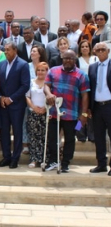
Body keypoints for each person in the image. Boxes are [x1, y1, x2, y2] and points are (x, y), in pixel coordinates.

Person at [44, 50, 90, 172]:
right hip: (54, 112)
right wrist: (48, 94)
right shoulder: (53, 70)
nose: (67, 60)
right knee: (52, 138)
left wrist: (84, 115)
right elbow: (46, 85)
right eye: (65, 58)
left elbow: (85, 96)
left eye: (70, 58)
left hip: (73, 114)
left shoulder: (81, 75)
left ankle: (65, 163)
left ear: (75, 59)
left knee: (70, 139)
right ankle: (53, 160)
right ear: (61, 58)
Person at [0, 42, 30, 169]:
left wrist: (11, 98)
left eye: (8, 50)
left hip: (16, 105)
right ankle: (6, 157)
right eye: (4, 50)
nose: (6, 52)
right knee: (4, 131)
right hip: (3, 105)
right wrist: (1, 97)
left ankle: (15, 158)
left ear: (15, 50)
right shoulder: (1, 64)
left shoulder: (23, 64)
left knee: (17, 131)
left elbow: (25, 85)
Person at [88, 43, 111, 176]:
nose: (101, 52)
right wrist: (89, 108)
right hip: (97, 107)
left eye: (103, 50)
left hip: (110, 105)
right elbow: (90, 88)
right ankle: (101, 164)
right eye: (98, 50)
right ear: (95, 52)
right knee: (99, 137)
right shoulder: (92, 67)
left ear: (108, 51)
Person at [25, 62, 49, 168]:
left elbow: (52, 97)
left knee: (45, 137)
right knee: (34, 137)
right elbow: (27, 96)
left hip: (46, 113)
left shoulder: (49, 83)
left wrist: (45, 108)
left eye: (43, 70)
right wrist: (34, 107)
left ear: (47, 72)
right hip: (33, 113)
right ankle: (34, 159)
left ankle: (44, 159)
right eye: (38, 70)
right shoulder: (31, 82)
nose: (40, 72)